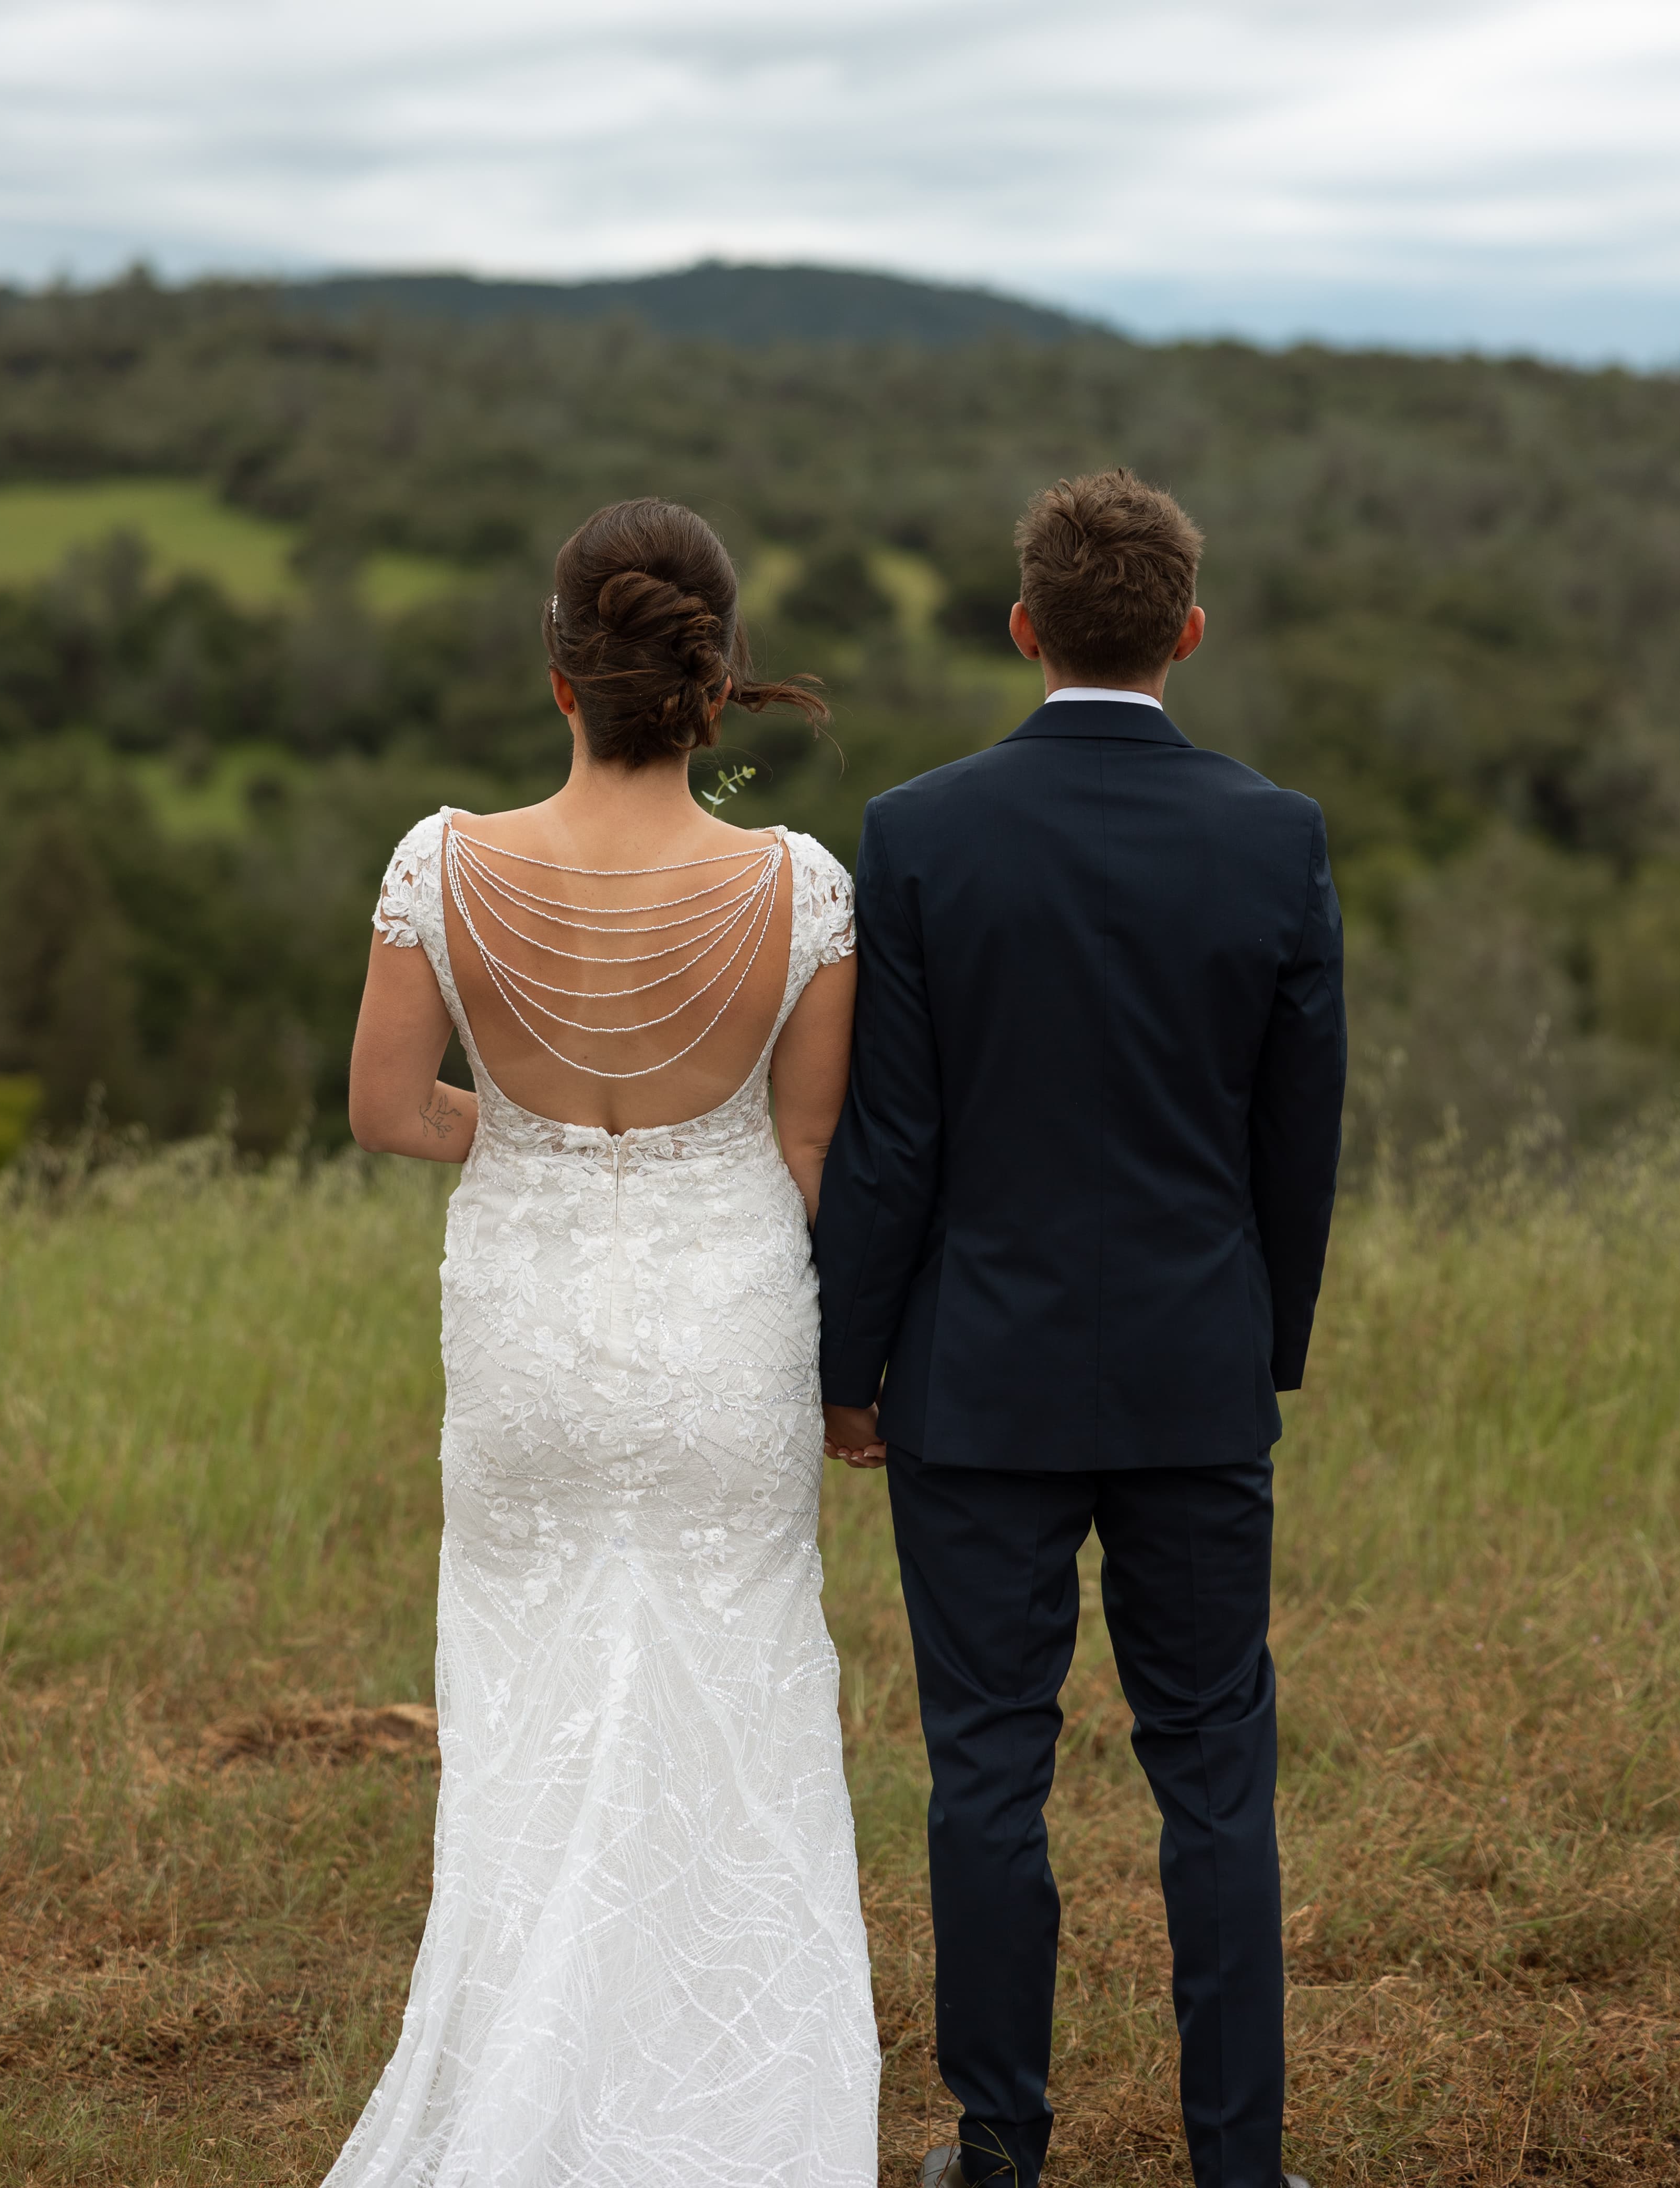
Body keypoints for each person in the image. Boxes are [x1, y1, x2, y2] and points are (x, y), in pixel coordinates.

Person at [327, 497, 879, 2188]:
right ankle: (733, 2111)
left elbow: (377, 1109)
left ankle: (527, 2084)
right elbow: (808, 1160)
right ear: (710, 696)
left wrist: (520, 1140)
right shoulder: (802, 887)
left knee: (528, 1705)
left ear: (557, 677)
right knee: (737, 1696)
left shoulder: (447, 861)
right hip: (724, 1334)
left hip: (529, 1340)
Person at [815, 467, 1345, 2188]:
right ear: (1189, 631)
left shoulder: (921, 832)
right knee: (1217, 1780)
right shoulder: (1278, 835)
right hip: (1196, 1371)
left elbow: (894, 1140)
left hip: (974, 1384)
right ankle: (1239, 2163)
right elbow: (1299, 1134)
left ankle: (1001, 2151)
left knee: (985, 1773)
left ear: (1024, 627)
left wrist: (848, 1368)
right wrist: (1260, 1346)